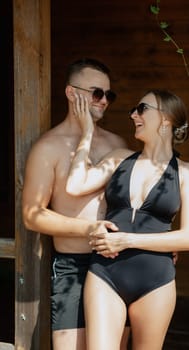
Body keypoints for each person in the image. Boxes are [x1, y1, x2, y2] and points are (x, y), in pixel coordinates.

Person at [66, 88, 189, 350]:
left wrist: (124, 240)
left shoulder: (188, 173)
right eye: (134, 110)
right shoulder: (119, 159)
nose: (133, 115)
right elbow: (74, 186)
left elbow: (188, 238)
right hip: (105, 274)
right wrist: (87, 134)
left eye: (142, 109)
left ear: (166, 119)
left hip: (156, 282)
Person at [22, 58, 130, 350]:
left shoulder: (116, 143)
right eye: (97, 93)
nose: (104, 101)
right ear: (72, 93)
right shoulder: (49, 147)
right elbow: (33, 216)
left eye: (109, 95)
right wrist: (89, 229)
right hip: (74, 266)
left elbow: (141, 198)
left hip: (117, 263)